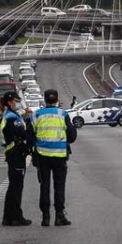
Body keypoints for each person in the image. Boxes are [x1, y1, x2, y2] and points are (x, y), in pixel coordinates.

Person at [31, 89, 78, 227]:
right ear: (57, 100)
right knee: (59, 186)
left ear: (44, 100)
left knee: (44, 186)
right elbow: (72, 136)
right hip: (59, 155)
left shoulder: (36, 115)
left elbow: (29, 135)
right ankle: (59, 215)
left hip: (42, 156)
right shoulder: (62, 114)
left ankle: (45, 217)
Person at [0, 91, 33, 226]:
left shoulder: (10, 116)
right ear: (9, 102)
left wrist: (24, 116)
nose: (16, 103)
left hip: (12, 153)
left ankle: (7, 217)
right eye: (15, 101)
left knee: (13, 186)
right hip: (16, 153)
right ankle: (17, 217)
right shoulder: (12, 118)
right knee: (16, 187)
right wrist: (29, 122)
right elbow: (23, 134)